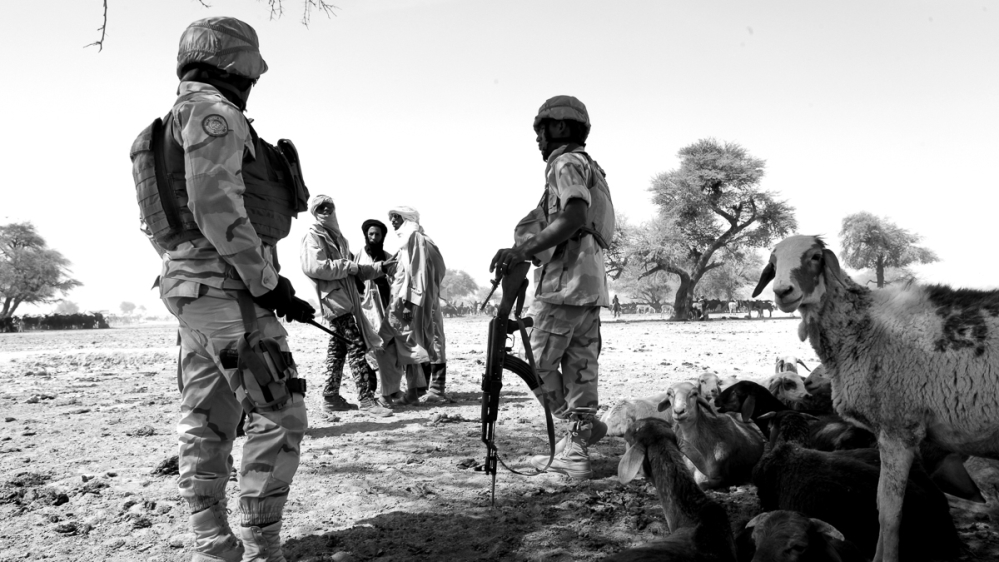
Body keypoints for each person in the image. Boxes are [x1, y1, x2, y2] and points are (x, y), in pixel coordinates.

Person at [131, 17, 315, 562]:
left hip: (189, 288)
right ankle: (262, 547)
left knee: (207, 415)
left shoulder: (170, 123)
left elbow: (169, 221)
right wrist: (266, 283)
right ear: (237, 66)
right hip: (228, 288)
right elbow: (216, 208)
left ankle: (213, 544)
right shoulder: (216, 115)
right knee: (278, 411)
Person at [490, 95, 614, 480]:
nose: (538, 140)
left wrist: (523, 248)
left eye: (541, 130)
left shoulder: (564, 163)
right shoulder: (592, 167)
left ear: (559, 127)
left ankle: (579, 436)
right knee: (581, 368)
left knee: (536, 363)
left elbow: (573, 215)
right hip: (590, 286)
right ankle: (575, 447)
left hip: (563, 285)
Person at [301, 195, 393, 417]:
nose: (326, 210)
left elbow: (357, 270)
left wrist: (380, 267)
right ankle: (366, 399)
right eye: (320, 207)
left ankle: (330, 397)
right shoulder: (313, 236)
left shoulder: (338, 238)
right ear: (314, 211)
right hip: (335, 300)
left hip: (347, 299)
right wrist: (346, 265)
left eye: (329, 206)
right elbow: (314, 267)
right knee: (356, 345)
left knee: (338, 349)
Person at [386, 207, 447, 404]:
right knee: (421, 341)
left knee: (421, 341)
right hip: (421, 300)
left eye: (397, 217)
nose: (393, 221)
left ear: (407, 218)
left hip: (416, 302)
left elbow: (417, 273)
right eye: (391, 217)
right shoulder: (412, 240)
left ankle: (433, 390)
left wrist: (409, 302)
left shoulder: (416, 239)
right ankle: (420, 390)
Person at [355, 219, 406, 406]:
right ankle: (383, 393)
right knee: (375, 351)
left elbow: (399, 282)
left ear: (383, 236)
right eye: (371, 234)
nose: (374, 238)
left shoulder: (389, 257)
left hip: (387, 309)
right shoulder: (357, 258)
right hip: (366, 311)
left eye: (377, 234)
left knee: (391, 350)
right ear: (366, 236)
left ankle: (392, 390)